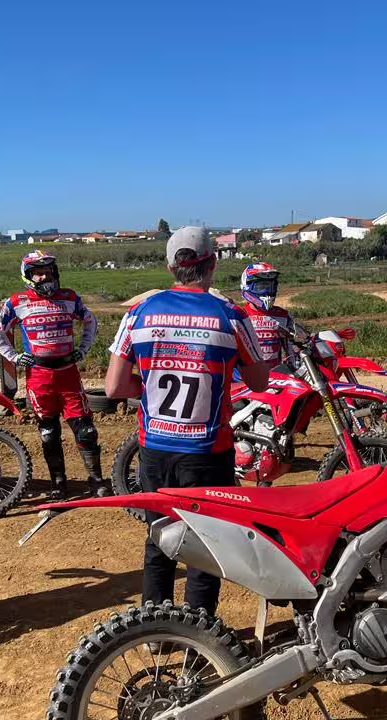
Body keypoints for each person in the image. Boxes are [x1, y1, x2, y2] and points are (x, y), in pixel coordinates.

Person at [105, 226, 270, 615]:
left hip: (155, 448)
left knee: (157, 537)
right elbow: (259, 381)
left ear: (169, 267)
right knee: (206, 543)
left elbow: (113, 387)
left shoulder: (138, 314)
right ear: (212, 264)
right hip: (208, 451)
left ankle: (155, 629)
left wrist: (147, 389)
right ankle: (200, 632)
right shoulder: (230, 316)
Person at [0, 250, 112, 500]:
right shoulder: (16, 302)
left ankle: (96, 480)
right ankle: (58, 483)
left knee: (85, 430)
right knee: (48, 432)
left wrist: (83, 349)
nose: (44, 276)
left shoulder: (70, 297)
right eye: (37, 272)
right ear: (28, 275)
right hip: (39, 377)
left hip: (68, 374)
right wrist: (13, 357)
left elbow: (91, 321)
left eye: (48, 271)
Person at [239, 261, 295, 367]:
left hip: (276, 377)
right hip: (246, 376)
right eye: (261, 287)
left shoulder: (283, 316)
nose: (266, 291)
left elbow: (291, 349)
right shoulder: (240, 315)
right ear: (247, 286)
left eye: (270, 286)